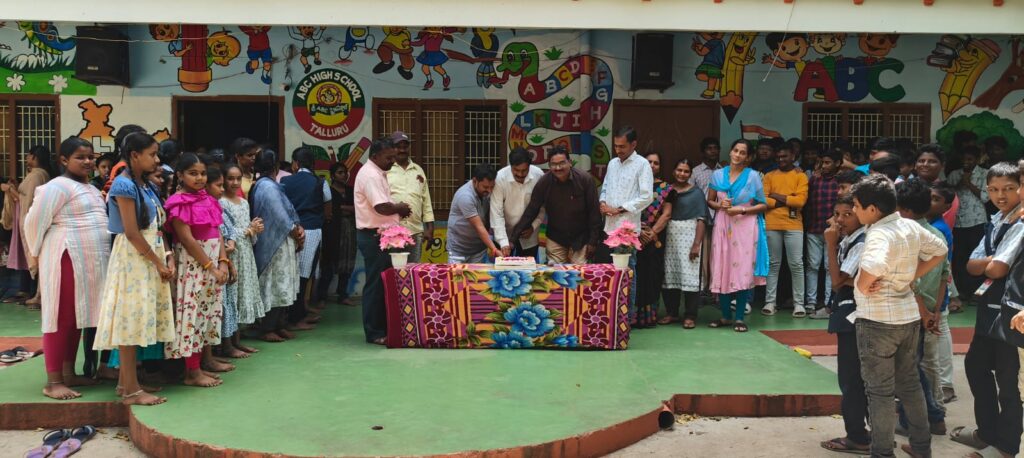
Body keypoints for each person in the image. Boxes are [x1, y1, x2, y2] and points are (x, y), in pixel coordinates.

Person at [850, 174, 947, 458]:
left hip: (877, 321)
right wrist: (911, 276)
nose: (854, 210)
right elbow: (940, 250)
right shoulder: (909, 225)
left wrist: (864, 284)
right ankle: (921, 448)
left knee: (880, 392)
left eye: (856, 205)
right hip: (907, 319)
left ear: (872, 209)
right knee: (910, 384)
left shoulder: (878, 233)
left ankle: (882, 453)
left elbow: (874, 264)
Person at [23, 137, 108, 400]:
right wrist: (35, 256)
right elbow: (33, 222)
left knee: (77, 317)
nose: (88, 161)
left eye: (91, 157)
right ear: (63, 160)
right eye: (80, 157)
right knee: (60, 317)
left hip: (90, 262)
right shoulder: (56, 187)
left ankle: (69, 373)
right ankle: (53, 381)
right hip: (66, 257)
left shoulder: (91, 188)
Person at [92, 132, 174, 406]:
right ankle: (131, 390)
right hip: (134, 260)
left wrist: (166, 256)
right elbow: (131, 232)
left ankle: (125, 383)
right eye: (152, 154)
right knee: (129, 321)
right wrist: (158, 262)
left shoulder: (144, 184)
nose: (157, 159)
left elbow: (155, 227)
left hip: (146, 256)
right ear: (135, 155)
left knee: (137, 319)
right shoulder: (124, 185)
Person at [954, 162, 1023, 458]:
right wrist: (989, 262)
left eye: (1009, 188)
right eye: (993, 189)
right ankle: (987, 432)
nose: (1001, 195)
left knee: (1008, 382)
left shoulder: (1020, 223)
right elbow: (971, 265)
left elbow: (997, 269)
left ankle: (1006, 447)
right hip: (989, 307)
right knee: (976, 366)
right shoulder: (997, 218)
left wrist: (989, 263)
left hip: (1012, 310)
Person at [164, 154, 230, 387]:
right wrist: (211, 267)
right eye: (193, 173)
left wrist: (223, 261)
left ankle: (203, 362)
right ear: (180, 175)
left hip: (212, 266)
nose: (200, 178)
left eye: (202, 173)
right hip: (194, 266)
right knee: (192, 315)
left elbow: (217, 231)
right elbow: (187, 240)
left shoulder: (208, 199)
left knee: (207, 313)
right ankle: (192, 372)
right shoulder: (178, 202)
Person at [894, 178, 950, 437]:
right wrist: (935, 311)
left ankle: (924, 419)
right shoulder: (937, 234)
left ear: (903, 209)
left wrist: (925, 312)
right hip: (928, 309)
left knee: (908, 370)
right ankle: (932, 416)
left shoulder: (905, 236)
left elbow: (910, 281)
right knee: (915, 366)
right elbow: (944, 277)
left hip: (910, 311)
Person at [820, 195, 869, 455]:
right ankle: (869, 432)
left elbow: (838, 281)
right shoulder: (850, 239)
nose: (840, 220)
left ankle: (857, 437)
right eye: (837, 214)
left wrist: (830, 245)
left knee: (852, 379)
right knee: (858, 378)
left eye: (848, 214)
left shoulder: (861, 241)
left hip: (855, 315)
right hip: (849, 309)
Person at [706, 139, 768, 333]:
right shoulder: (718, 175)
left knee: (742, 271)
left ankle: (739, 317)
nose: (738, 155)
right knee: (722, 267)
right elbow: (710, 200)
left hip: (745, 227)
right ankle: (725, 316)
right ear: (730, 152)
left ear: (748, 157)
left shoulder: (753, 176)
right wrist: (720, 205)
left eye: (743, 152)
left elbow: (763, 204)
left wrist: (741, 209)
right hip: (723, 225)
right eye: (735, 150)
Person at [354, 138, 410, 345]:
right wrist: (400, 208)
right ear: (375, 156)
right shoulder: (370, 175)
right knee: (376, 285)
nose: (393, 161)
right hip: (373, 236)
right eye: (389, 157)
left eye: (394, 157)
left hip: (382, 235)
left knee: (383, 282)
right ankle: (374, 332)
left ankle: (384, 328)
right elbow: (381, 207)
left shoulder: (378, 172)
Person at [511, 147, 601, 264]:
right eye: (554, 164)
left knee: (580, 272)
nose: (558, 168)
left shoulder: (585, 180)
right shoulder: (544, 182)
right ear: (549, 165)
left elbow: (594, 212)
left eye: (562, 163)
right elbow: (531, 210)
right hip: (556, 237)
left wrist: (593, 241)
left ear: (570, 162)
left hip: (581, 237)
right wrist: (512, 240)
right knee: (555, 272)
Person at [249, 149, 303, 343]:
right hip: (274, 243)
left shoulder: (266, 185)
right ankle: (268, 328)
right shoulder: (267, 186)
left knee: (283, 285)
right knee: (274, 286)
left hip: (281, 241)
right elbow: (281, 216)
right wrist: (296, 231)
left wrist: (297, 228)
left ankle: (279, 325)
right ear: (276, 167)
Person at [600, 126, 654, 317]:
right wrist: (603, 203)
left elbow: (647, 197)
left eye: (622, 146)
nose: (618, 150)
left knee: (627, 272)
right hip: (609, 227)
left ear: (633, 144)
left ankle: (626, 318)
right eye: (616, 146)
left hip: (627, 229)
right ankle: (613, 316)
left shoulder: (642, 164)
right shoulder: (613, 163)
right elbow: (605, 187)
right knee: (612, 273)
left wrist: (620, 209)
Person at [655, 159, 709, 329]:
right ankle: (671, 313)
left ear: (690, 174)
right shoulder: (666, 190)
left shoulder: (696, 193)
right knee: (669, 275)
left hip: (689, 237)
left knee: (690, 276)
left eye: (686, 171)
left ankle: (690, 315)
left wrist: (696, 244)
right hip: (670, 237)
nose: (682, 174)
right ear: (673, 171)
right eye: (679, 170)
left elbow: (702, 219)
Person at [281, 147, 331, 331]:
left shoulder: (285, 181)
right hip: (312, 230)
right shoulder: (320, 182)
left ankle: (293, 314)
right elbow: (328, 210)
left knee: (291, 273)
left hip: (290, 231)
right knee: (304, 276)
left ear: (295, 163)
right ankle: (296, 318)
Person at [2, 145, 56, 307]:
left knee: (33, 256)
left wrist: (9, 189)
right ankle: (32, 293)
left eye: (28, 155)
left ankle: (35, 294)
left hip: (29, 220)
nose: (26, 158)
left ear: (34, 157)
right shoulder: (42, 174)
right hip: (34, 220)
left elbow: (28, 200)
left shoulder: (36, 175)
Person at [219, 163, 264, 356]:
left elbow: (248, 232)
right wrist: (248, 230)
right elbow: (225, 231)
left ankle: (237, 341)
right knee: (232, 296)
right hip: (231, 254)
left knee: (241, 294)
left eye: (238, 178)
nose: (235, 182)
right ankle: (227, 344)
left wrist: (254, 230)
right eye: (230, 178)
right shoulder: (221, 202)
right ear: (223, 180)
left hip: (246, 254)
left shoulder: (244, 203)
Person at [762, 144, 808, 317]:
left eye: (785, 156)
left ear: (793, 157)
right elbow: (764, 200)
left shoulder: (800, 176)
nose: (781, 160)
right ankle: (770, 302)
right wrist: (789, 199)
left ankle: (799, 304)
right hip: (772, 224)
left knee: (796, 264)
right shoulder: (769, 176)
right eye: (779, 157)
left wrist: (775, 196)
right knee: (773, 264)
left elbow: (800, 201)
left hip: (794, 225)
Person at [928, 182, 958, 402]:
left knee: (941, 330)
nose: (930, 202)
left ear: (946, 206)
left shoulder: (939, 228)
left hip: (937, 285)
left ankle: (946, 384)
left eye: (936, 199)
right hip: (933, 285)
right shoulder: (929, 224)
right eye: (929, 197)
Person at [947, 145, 989, 307]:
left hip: (977, 221)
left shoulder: (985, 174)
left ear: (977, 160)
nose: (966, 162)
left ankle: (976, 293)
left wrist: (969, 183)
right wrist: (960, 182)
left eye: (970, 159)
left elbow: (985, 197)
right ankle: (962, 291)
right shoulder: (954, 174)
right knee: (959, 258)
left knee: (977, 257)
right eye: (964, 159)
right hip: (957, 221)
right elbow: (948, 195)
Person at [634, 152, 672, 328]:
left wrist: (651, 233)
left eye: (656, 163)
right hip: (633, 234)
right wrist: (638, 230)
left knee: (652, 275)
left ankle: (648, 317)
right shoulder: (634, 184)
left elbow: (667, 214)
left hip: (655, 238)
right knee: (636, 274)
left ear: (660, 167)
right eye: (649, 162)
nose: (652, 165)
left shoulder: (666, 188)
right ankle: (632, 316)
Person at [805, 147, 843, 316]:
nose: (824, 166)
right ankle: (811, 302)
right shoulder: (814, 180)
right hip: (813, 228)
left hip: (833, 230)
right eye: (822, 162)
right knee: (812, 266)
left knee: (829, 267)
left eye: (828, 163)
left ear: (838, 163)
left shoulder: (840, 181)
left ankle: (829, 302)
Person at [386, 131, 434, 262]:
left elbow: (426, 201)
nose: (402, 150)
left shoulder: (418, 170)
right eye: (398, 146)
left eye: (405, 146)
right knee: (394, 270)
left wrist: (430, 228)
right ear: (391, 148)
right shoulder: (386, 169)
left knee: (412, 269)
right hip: (391, 231)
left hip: (415, 231)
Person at [490, 147, 544, 258]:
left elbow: (542, 207)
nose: (520, 174)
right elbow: (496, 213)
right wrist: (503, 242)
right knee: (502, 267)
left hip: (529, 234)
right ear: (510, 166)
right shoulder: (500, 178)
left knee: (528, 268)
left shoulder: (538, 175)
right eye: (516, 170)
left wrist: (533, 226)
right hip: (503, 232)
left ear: (529, 166)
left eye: (524, 170)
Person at [318, 162, 357, 306]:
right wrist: (346, 208)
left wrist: (341, 208)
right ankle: (321, 297)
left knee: (347, 262)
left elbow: (357, 208)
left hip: (350, 230)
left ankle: (343, 295)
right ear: (333, 175)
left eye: (345, 172)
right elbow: (329, 210)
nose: (344, 175)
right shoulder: (328, 191)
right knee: (329, 263)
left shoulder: (351, 190)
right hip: (332, 231)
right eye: (340, 172)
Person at [446, 163, 500, 263]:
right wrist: (494, 249)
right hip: (458, 250)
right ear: (475, 181)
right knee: (457, 274)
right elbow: (479, 227)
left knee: (477, 274)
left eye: (492, 187)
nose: (489, 191)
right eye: (485, 187)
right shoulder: (465, 196)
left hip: (479, 250)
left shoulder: (488, 192)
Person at [915, 144, 959, 230]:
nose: (925, 164)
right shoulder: (906, 188)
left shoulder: (946, 195)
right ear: (915, 165)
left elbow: (940, 228)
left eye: (932, 161)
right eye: (921, 161)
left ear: (942, 165)